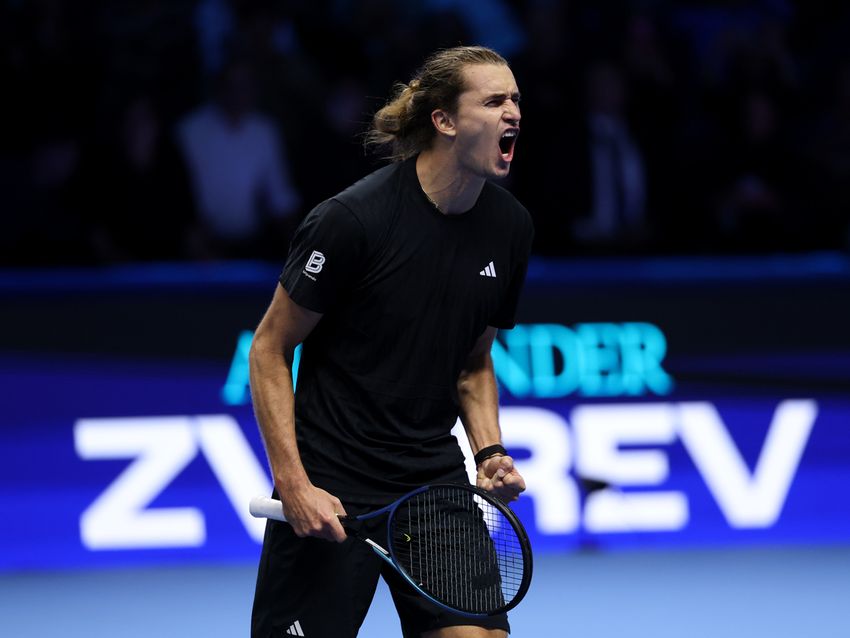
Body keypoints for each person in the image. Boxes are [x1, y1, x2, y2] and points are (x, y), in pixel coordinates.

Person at [248, 45, 533, 638]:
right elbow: (269, 348)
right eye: (493, 101)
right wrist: (295, 486)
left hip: (432, 485)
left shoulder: (509, 227)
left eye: (514, 100)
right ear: (444, 120)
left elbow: (474, 362)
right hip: (332, 485)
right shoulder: (352, 220)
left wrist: (488, 452)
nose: (513, 112)